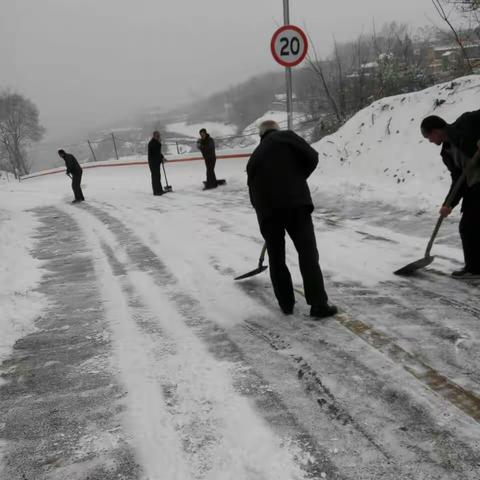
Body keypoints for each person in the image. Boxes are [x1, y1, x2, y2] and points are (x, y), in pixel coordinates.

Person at [246, 120, 337, 319]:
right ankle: (318, 305)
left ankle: (286, 304)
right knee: (307, 253)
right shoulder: (286, 136)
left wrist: (264, 215)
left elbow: (252, 191)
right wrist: (297, 177)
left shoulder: (254, 156)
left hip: (268, 211)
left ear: (261, 135)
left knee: (276, 257)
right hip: (296, 204)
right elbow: (312, 157)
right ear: (275, 130)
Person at [421, 111, 480, 279]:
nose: (430, 141)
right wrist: (448, 204)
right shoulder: (446, 152)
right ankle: (475, 267)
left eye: (428, 137)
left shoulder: (465, 123)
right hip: (474, 187)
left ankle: (475, 269)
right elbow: (457, 180)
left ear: (435, 131)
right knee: (469, 227)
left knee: (470, 227)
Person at [147, 131, 165, 195]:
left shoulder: (156, 142)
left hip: (156, 162)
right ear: (154, 136)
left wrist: (162, 158)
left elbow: (158, 152)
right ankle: (156, 191)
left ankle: (159, 190)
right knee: (155, 176)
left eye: (159, 135)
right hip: (153, 162)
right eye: (157, 135)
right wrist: (161, 158)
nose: (159, 136)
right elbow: (155, 153)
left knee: (157, 176)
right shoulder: (153, 143)